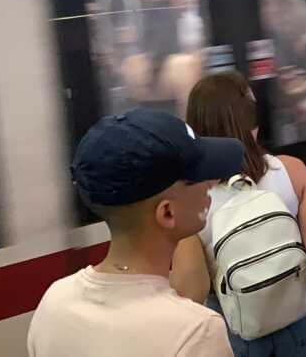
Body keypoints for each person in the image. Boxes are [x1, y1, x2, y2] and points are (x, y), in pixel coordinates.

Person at [28, 108, 243, 357]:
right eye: (198, 177)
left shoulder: (54, 303)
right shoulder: (195, 333)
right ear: (167, 213)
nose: (211, 183)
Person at [170, 71, 306, 357]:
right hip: (300, 321)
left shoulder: (191, 196)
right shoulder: (290, 170)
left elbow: (191, 291)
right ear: (254, 124)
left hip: (237, 331)